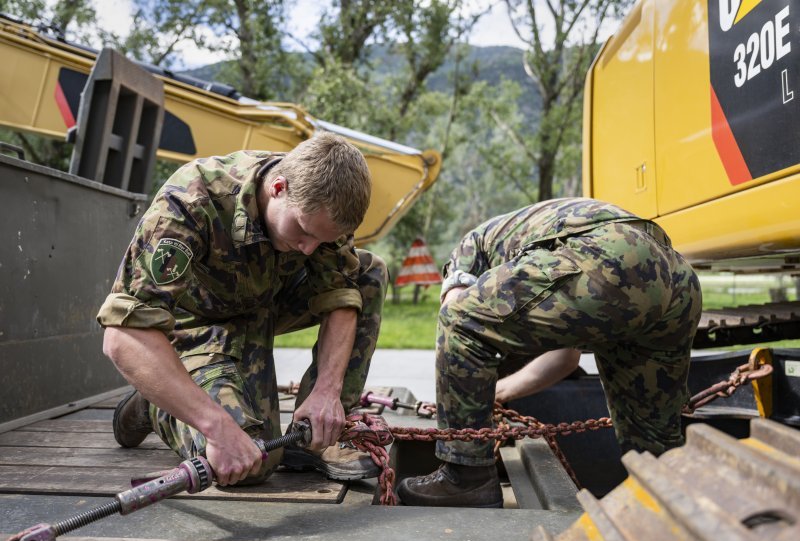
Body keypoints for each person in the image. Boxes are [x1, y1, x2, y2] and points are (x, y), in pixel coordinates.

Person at [97, 132, 388, 486]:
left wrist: (327, 392)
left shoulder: (324, 202)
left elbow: (341, 291)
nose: (309, 250)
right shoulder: (191, 202)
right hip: (196, 329)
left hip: (264, 306)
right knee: (251, 459)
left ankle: (317, 433)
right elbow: (123, 336)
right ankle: (157, 400)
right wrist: (214, 425)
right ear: (278, 187)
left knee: (368, 273)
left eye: (321, 241)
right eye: (302, 232)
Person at [397, 197, 702, 507]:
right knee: (653, 445)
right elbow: (566, 357)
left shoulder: (472, 244)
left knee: (460, 322)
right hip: (676, 277)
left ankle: (465, 478)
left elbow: (456, 314)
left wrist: (470, 403)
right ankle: (672, 517)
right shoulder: (539, 237)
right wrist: (498, 393)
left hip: (611, 254)